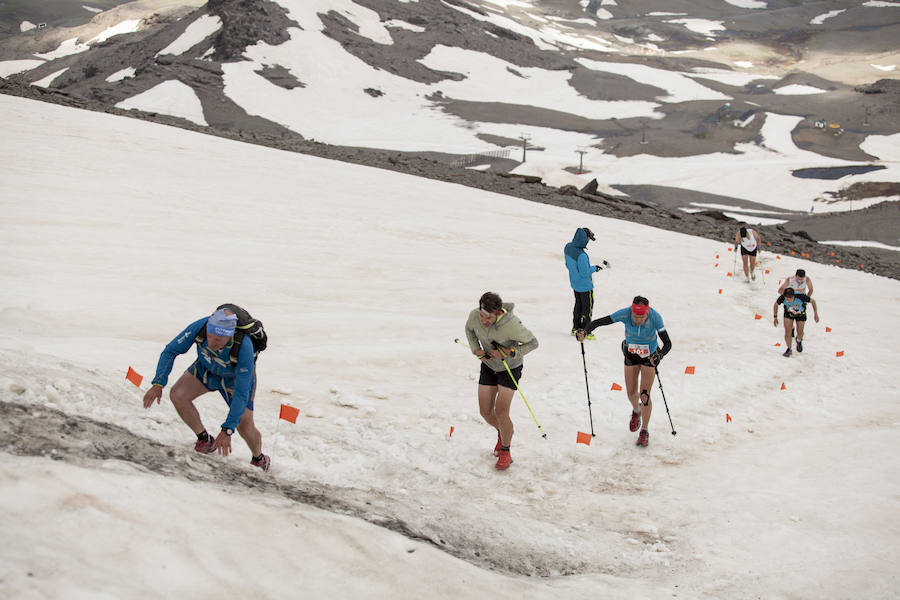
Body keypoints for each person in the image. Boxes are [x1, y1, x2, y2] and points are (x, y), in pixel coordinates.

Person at [142, 307, 270, 471]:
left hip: (234, 380)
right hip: (206, 369)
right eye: (209, 337)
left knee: (244, 425)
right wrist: (158, 383)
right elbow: (171, 350)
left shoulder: (244, 346)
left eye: (217, 340)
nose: (211, 342)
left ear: (229, 336)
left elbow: (241, 392)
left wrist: (227, 429)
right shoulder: (201, 326)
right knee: (178, 395)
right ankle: (204, 439)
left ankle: (259, 458)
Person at [576, 296, 671, 447]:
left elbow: (667, 343)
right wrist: (585, 331)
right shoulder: (625, 313)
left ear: (647, 313)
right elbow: (598, 322)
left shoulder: (655, 317)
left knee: (645, 395)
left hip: (649, 357)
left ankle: (644, 431)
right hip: (631, 355)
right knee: (631, 394)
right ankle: (636, 410)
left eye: (642, 317)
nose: (638, 320)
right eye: (635, 316)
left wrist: (659, 356)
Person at [464, 292, 539, 470]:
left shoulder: (512, 324)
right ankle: (504, 432)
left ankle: (505, 450)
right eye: (481, 315)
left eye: (487, 317)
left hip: (510, 368)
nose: (482, 320)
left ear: (498, 312)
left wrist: (511, 352)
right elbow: (469, 329)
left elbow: (533, 343)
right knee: (485, 412)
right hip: (489, 365)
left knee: (501, 411)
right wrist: (476, 349)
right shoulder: (475, 315)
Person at [564, 227, 609, 339]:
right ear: (584, 238)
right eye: (588, 238)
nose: (589, 240)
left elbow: (567, 265)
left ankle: (575, 328)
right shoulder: (582, 255)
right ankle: (585, 332)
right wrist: (597, 267)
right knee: (587, 309)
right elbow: (585, 273)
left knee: (578, 306)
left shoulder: (568, 247)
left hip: (574, 283)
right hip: (585, 286)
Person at [773, 287, 819, 357]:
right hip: (789, 314)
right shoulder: (782, 297)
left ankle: (799, 340)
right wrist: (775, 317)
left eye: (790, 299)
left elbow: (813, 301)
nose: (788, 301)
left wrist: (815, 313)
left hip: (800, 314)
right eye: (786, 299)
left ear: (793, 296)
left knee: (800, 333)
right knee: (787, 332)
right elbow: (776, 305)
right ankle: (789, 349)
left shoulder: (801, 296)